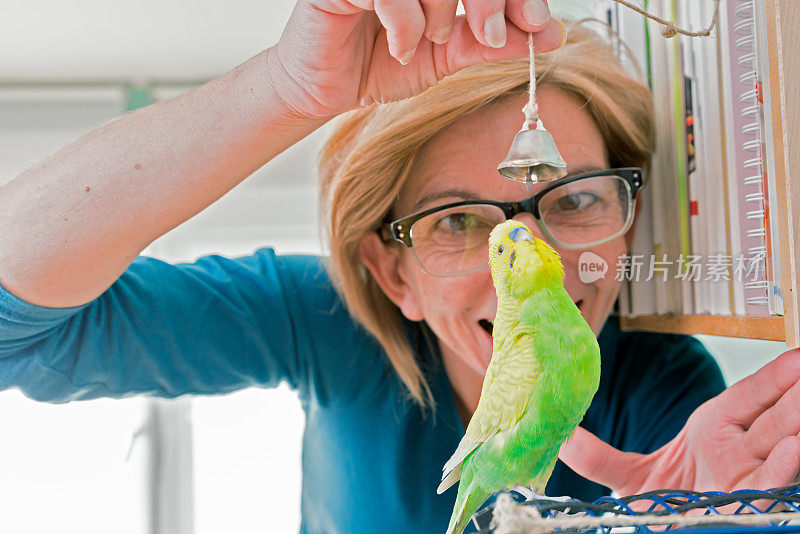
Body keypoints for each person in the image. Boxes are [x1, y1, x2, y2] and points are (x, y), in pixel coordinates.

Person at [1, 1, 799, 533]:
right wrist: (286, 89)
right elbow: (16, 328)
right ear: (392, 275)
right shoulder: (319, 317)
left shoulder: (662, 390)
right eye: (456, 220)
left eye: (576, 199)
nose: (537, 257)